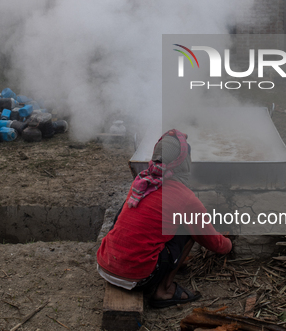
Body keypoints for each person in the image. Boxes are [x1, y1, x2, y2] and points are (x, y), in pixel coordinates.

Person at [96, 129, 232, 308]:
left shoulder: (142, 182)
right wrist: (229, 245)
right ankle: (164, 290)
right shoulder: (185, 197)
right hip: (138, 278)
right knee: (189, 229)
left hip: (105, 266)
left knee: (129, 209)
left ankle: (169, 263)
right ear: (183, 163)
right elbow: (213, 242)